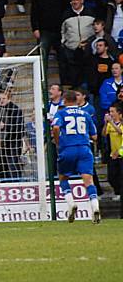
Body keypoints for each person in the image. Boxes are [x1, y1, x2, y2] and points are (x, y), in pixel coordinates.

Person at [51, 90, 100, 223]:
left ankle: (71, 203)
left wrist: (57, 141)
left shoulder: (61, 112)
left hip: (67, 149)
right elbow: (95, 136)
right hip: (84, 149)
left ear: (65, 101)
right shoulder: (85, 113)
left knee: (63, 177)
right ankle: (95, 207)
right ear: (76, 100)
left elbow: (55, 128)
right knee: (88, 180)